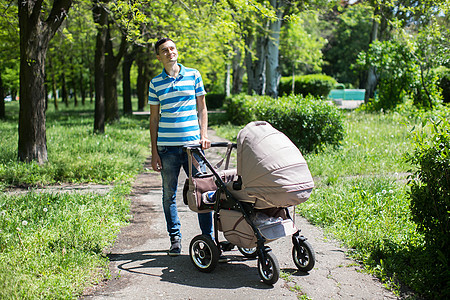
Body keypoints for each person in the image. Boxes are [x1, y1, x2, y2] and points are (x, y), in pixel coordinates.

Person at [149, 38, 214, 256]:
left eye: (172, 48)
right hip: (166, 148)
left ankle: (209, 239)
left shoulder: (194, 75)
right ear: (159, 57)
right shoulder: (155, 83)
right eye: (164, 51)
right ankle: (175, 238)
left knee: (203, 192)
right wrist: (154, 152)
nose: (170, 53)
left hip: (193, 148)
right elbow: (154, 119)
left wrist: (204, 135)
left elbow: (202, 108)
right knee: (169, 195)